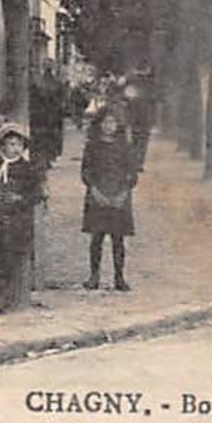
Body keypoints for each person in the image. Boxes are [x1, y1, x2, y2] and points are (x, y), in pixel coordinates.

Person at [0, 123, 44, 315]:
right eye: (10, 144)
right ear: (2, 146)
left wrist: (20, 198)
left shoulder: (27, 168)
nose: (14, 148)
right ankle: (0, 292)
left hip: (17, 220)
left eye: (18, 145)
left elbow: (36, 194)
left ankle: (8, 296)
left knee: (13, 256)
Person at [81, 105, 140, 292]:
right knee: (96, 239)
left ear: (118, 125)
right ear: (99, 124)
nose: (109, 126)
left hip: (119, 197)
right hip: (97, 196)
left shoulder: (125, 147)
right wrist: (95, 192)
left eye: (112, 122)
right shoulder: (92, 146)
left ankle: (119, 277)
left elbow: (132, 174)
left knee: (118, 240)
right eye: (105, 122)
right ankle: (94, 276)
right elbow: (85, 172)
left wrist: (123, 193)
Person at [30, 64, 66, 167]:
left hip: (40, 116)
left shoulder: (38, 82)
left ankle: (41, 158)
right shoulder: (57, 83)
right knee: (50, 138)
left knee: (40, 138)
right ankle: (47, 158)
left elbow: (32, 100)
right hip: (52, 117)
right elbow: (61, 101)